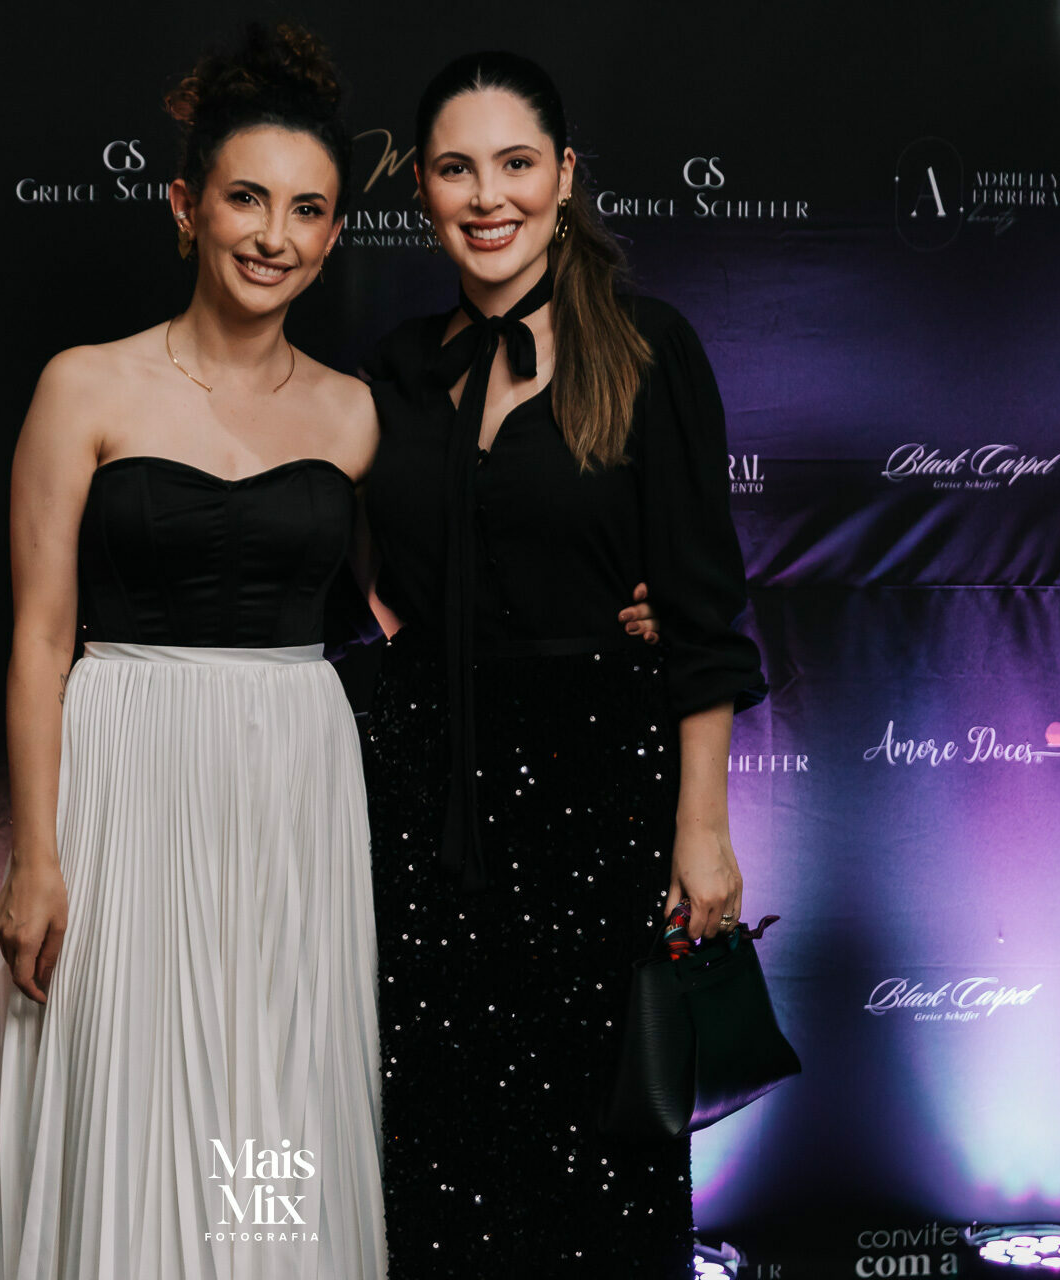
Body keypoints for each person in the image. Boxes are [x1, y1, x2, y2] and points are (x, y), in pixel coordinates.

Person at [0, 23, 387, 1280]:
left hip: (295, 780)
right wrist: (36, 857)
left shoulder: (357, 413)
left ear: (334, 236)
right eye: (247, 198)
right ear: (185, 206)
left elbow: (420, 606)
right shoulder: (84, 386)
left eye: (307, 210)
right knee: (123, 1085)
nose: (273, 235)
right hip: (124, 764)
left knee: (276, 1085)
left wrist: (630, 603)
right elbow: (40, 638)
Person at [357, 51, 767, 1277]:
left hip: (599, 793)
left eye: (517, 164)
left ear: (566, 174)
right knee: (440, 1135)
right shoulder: (395, 369)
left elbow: (701, 611)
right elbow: (342, 553)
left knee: (600, 1136)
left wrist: (702, 829)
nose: (489, 197)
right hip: (427, 798)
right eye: (457, 168)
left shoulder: (647, 348)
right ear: (421, 189)